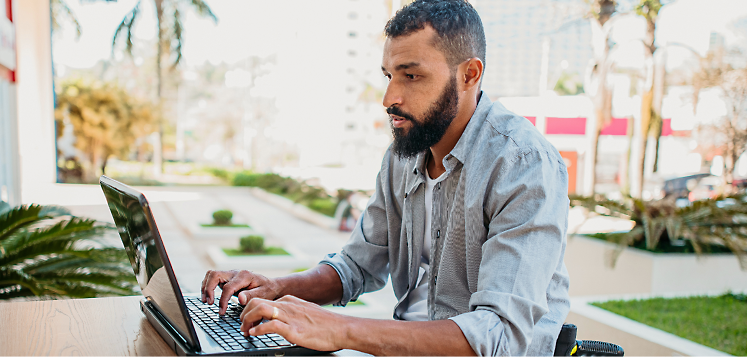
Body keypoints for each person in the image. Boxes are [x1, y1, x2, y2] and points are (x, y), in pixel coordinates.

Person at [201, 1, 570, 356]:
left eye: (411, 76)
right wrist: (277, 288)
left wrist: (339, 328)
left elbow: (498, 337)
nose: (390, 97)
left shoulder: (523, 164)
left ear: (469, 74)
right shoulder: (402, 156)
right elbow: (357, 266)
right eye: (389, 76)